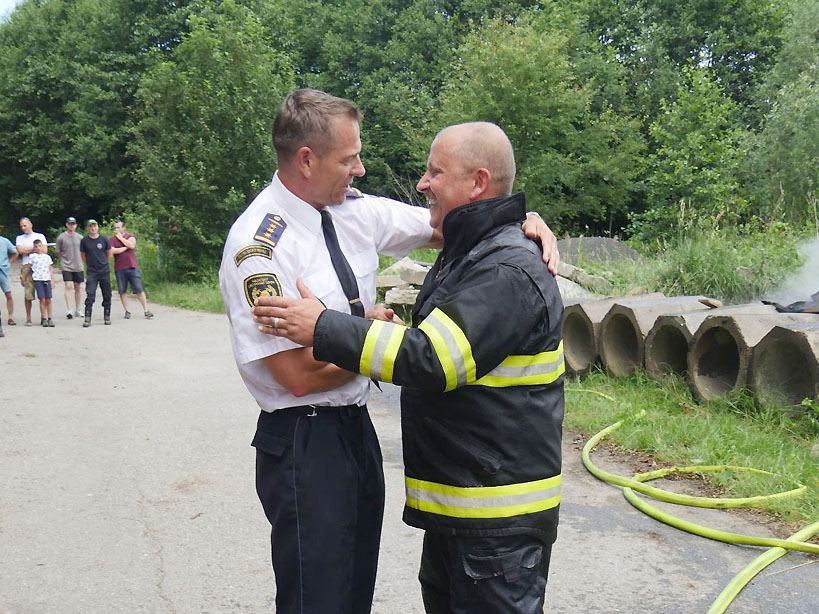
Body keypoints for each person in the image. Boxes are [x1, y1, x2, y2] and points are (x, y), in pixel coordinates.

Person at [219, 88, 558, 614]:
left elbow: (458, 216)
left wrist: (523, 219)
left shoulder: (354, 212)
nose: (360, 169)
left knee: (352, 596)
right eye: (349, 158)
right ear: (307, 160)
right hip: (306, 441)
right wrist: (359, 332)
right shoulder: (259, 247)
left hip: (356, 431)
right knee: (319, 602)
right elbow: (297, 376)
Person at [110, 220, 154, 319]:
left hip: (132, 267)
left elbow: (132, 245)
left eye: (118, 227)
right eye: (115, 228)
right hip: (119, 268)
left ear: (123, 228)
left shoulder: (130, 236)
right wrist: (125, 248)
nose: (116, 229)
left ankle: (146, 310)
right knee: (122, 291)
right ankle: (127, 311)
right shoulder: (112, 239)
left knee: (139, 289)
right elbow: (113, 250)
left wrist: (121, 239)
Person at [80, 219, 112, 327]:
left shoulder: (104, 239)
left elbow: (109, 253)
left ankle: (107, 315)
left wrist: (104, 263)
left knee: (107, 294)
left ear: (97, 227)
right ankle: (87, 317)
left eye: (94, 226)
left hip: (104, 271)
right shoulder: (84, 241)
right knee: (90, 294)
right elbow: (83, 255)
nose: (93, 228)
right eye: (90, 226)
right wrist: (89, 264)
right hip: (92, 272)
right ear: (88, 228)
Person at [15, 217, 47, 326]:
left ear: (31, 225)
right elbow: (20, 251)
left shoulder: (40, 236)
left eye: (25, 225)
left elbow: (45, 250)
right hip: (26, 267)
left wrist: (28, 250)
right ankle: (28, 318)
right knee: (28, 294)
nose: (23, 228)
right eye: (21, 226)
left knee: (43, 294)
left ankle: (44, 316)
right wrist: (35, 248)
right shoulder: (20, 238)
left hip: (40, 267)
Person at [54, 216, 84, 319]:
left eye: (73, 224)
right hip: (66, 265)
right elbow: (57, 252)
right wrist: (63, 260)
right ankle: (69, 310)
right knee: (68, 285)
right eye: (70, 224)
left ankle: (78, 309)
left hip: (78, 265)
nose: (72, 226)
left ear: (76, 225)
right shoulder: (61, 237)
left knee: (78, 287)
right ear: (66, 225)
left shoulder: (80, 237)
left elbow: (84, 252)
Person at [23, 239, 55, 327]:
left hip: (46, 279)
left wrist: (52, 280)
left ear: (42, 246)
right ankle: (43, 318)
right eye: (36, 246)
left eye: (39, 246)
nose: (38, 248)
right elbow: (28, 268)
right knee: (42, 299)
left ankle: (50, 317)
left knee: (48, 299)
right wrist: (24, 278)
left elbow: (50, 269)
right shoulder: (32, 257)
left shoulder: (47, 257)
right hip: (38, 279)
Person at [0, 225, 18, 330]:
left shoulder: (4, 241)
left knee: (8, 294)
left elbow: (15, 252)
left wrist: (9, 262)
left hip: (3, 271)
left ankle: (10, 317)